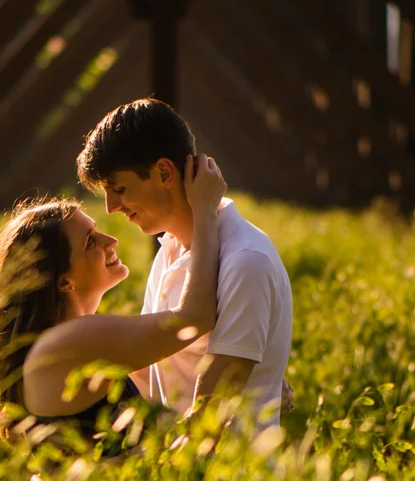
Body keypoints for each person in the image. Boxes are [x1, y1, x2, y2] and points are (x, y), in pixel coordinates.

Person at [0, 155, 231, 444]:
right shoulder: (72, 341)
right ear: (64, 281)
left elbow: (162, 380)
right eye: (90, 241)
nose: (111, 241)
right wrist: (205, 210)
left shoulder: (64, 343)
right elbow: (195, 318)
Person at [76, 99, 293, 428]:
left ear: (164, 172)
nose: (111, 207)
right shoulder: (169, 251)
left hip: (229, 462)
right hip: (177, 455)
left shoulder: (246, 261)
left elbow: (213, 412)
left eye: (119, 188)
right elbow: (149, 378)